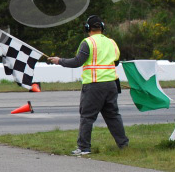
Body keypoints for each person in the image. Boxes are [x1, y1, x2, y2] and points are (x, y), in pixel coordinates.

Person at [48, 15, 129, 156]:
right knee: (113, 116)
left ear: (87, 28)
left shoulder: (88, 42)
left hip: (94, 85)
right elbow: (115, 62)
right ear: (102, 27)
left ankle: (84, 147)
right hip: (111, 84)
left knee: (87, 117)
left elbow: (77, 61)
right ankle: (124, 145)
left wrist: (59, 61)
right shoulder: (112, 42)